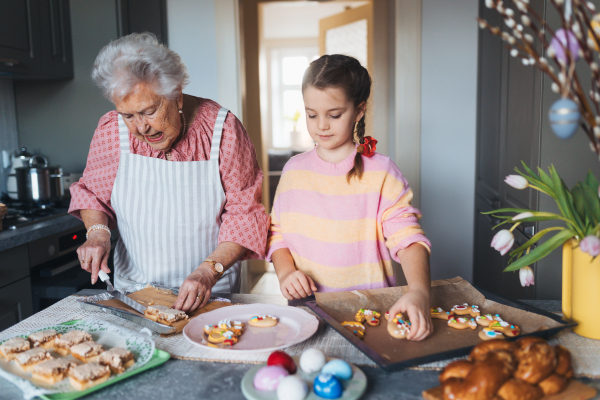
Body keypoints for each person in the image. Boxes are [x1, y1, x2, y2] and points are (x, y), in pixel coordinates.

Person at [69, 33, 268, 312]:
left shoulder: (223, 130)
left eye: (149, 111)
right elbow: (93, 195)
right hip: (134, 290)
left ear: (176, 95)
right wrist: (98, 233)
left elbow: (244, 213)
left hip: (210, 289)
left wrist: (207, 273)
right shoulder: (110, 131)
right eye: (128, 115)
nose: (140, 127)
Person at [267, 54, 433, 341]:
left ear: (358, 111)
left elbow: (408, 238)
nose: (321, 126)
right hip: (307, 311)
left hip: (370, 314)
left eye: (334, 115)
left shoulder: (381, 172)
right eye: (311, 114)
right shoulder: (294, 171)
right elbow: (277, 233)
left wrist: (418, 290)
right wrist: (285, 273)